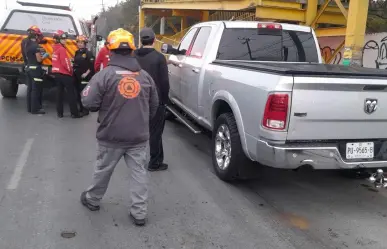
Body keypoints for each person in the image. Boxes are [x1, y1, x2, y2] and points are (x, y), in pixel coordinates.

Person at [80, 28, 159, 226]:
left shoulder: (103, 76)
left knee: (103, 170)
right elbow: (154, 105)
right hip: (138, 137)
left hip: (111, 136)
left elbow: (88, 103)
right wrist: (142, 121)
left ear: (111, 50)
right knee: (139, 174)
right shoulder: (145, 77)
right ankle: (139, 213)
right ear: (132, 50)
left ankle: (92, 199)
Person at [135, 27, 170, 172]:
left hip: (135, 99)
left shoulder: (133, 56)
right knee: (155, 132)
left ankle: (135, 161)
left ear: (141, 40)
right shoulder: (159, 58)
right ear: (154, 40)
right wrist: (165, 100)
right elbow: (164, 82)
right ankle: (154, 162)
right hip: (155, 101)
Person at [52, 30, 81, 119]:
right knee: (71, 94)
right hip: (65, 74)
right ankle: (74, 113)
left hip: (57, 75)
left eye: (65, 39)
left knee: (59, 94)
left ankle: (60, 113)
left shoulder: (54, 48)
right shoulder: (62, 49)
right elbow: (65, 63)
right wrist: (71, 71)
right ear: (58, 39)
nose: (65, 40)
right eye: (63, 39)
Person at [21, 26, 49, 114]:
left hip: (29, 68)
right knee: (35, 90)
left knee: (30, 89)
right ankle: (35, 109)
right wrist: (45, 55)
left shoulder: (26, 44)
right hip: (36, 69)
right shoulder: (36, 46)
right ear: (36, 36)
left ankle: (30, 108)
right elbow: (39, 60)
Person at [73, 35, 95, 116]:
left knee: (84, 94)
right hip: (77, 75)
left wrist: (86, 73)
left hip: (85, 76)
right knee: (78, 93)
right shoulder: (77, 52)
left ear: (85, 43)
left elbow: (92, 65)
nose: (80, 44)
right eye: (78, 42)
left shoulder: (88, 53)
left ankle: (85, 110)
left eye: (82, 43)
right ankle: (81, 108)